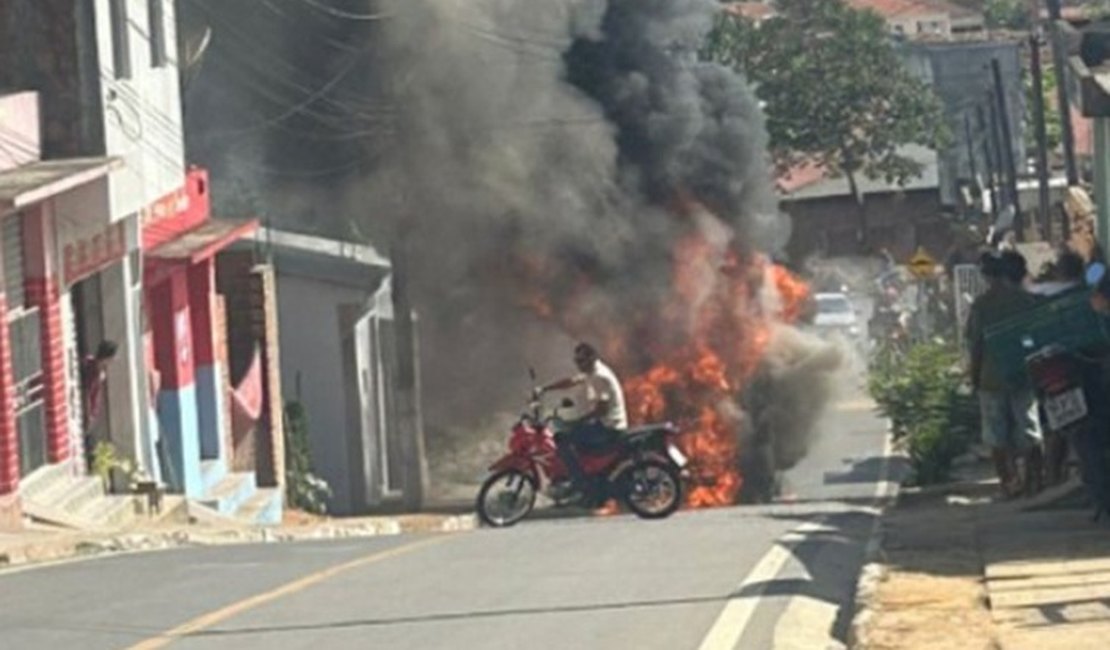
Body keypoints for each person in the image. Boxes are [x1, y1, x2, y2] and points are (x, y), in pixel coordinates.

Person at [966, 252, 1044, 498]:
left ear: (987, 276)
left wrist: (974, 376)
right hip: (1024, 373)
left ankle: (1008, 484)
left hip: (992, 377)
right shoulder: (1026, 301)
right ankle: (1034, 482)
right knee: (1029, 429)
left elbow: (975, 344)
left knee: (995, 434)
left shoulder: (981, 305)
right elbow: (1038, 337)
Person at [539, 342, 628, 500]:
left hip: (610, 427)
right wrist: (545, 389)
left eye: (582, 361)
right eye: (576, 360)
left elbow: (602, 410)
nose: (578, 364)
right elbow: (571, 381)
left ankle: (579, 484)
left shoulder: (601, 376)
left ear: (592, 359)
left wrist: (577, 422)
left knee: (564, 441)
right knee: (568, 434)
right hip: (604, 423)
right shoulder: (592, 371)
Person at [81, 340, 118, 468]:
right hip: (87, 413)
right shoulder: (92, 370)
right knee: (88, 443)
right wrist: (88, 414)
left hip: (91, 411)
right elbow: (87, 393)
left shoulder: (97, 369)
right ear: (106, 357)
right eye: (111, 358)